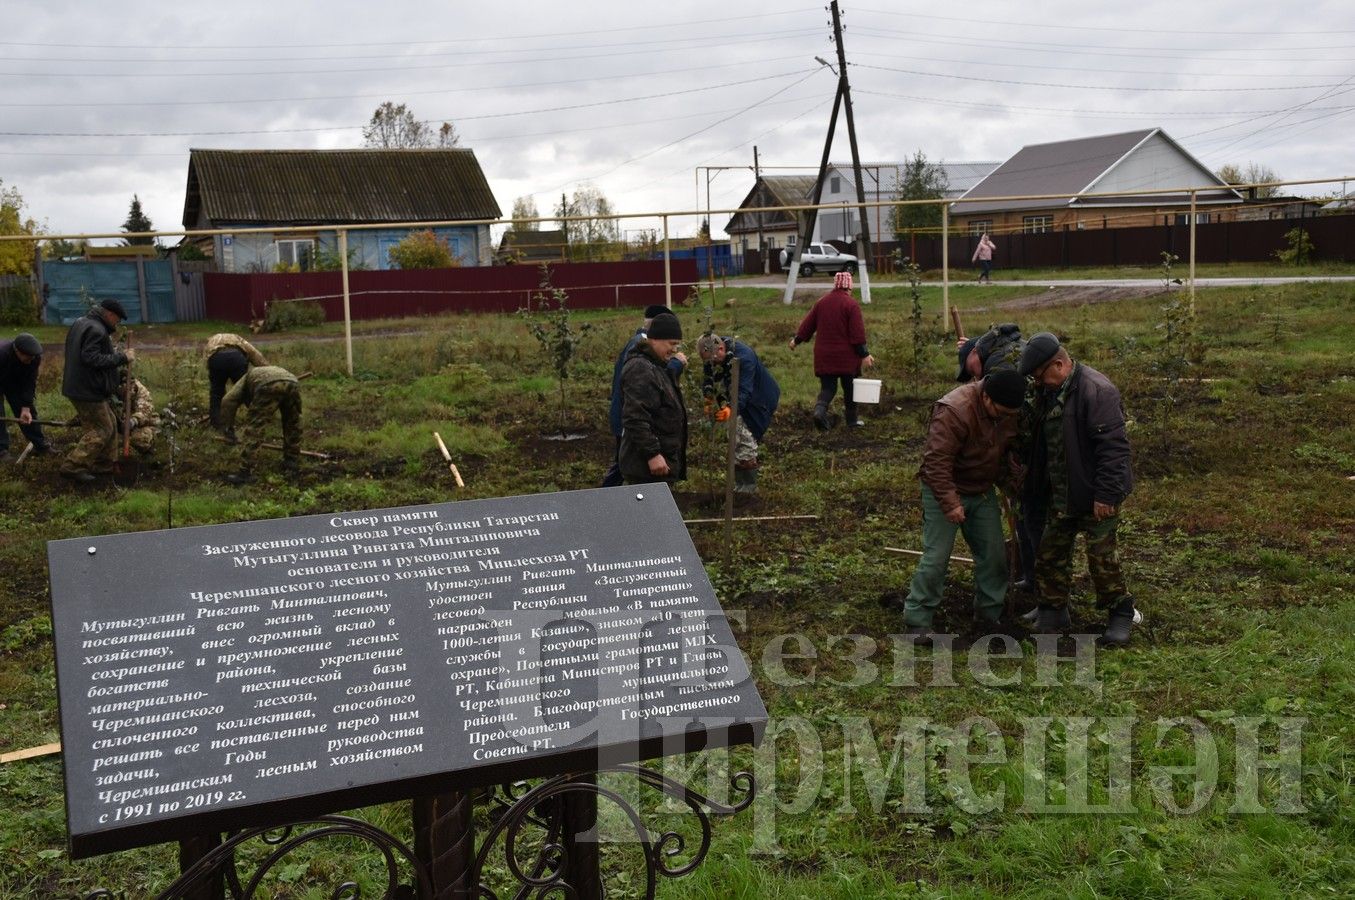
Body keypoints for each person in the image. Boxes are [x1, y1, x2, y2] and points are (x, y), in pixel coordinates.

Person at [888, 371, 1027, 642]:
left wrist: (1012, 481)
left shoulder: (1008, 412)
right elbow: (936, 463)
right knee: (937, 557)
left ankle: (989, 617)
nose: (1004, 417)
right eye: (1000, 411)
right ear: (986, 397)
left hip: (981, 489)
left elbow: (1006, 451)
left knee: (994, 555)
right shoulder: (955, 410)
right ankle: (917, 620)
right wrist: (951, 503)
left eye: (1010, 414)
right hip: (943, 486)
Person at [1017, 333, 1135, 645]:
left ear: (1059, 364)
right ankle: (1053, 612)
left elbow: (1114, 449)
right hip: (1061, 495)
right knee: (1050, 554)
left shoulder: (1097, 391)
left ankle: (1121, 614)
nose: (1038, 383)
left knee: (1101, 559)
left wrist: (1106, 495)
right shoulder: (1048, 392)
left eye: (1040, 376)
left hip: (1096, 494)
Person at [603, 305, 686, 487]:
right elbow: (635, 417)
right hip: (646, 469)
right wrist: (653, 454)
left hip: (660, 465)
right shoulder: (640, 368)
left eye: (677, 344)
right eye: (671, 344)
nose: (675, 349)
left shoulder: (656, 364)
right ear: (655, 340)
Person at [696, 332, 781, 496]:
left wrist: (731, 409)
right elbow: (709, 375)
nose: (711, 364)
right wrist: (708, 397)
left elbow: (743, 391)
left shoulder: (744, 358)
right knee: (735, 436)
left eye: (713, 361)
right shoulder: (711, 349)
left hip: (759, 399)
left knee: (746, 438)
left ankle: (748, 488)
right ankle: (740, 486)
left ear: (721, 348)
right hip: (739, 396)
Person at [60, 299, 134, 483]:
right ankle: (73, 466)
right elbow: (90, 358)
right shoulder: (97, 330)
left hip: (80, 386)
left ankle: (103, 464)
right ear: (109, 315)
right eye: (117, 320)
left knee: (109, 423)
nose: (117, 324)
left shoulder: (81, 323)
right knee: (102, 429)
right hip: (88, 390)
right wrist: (122, 357)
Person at [789, 271, 874, 429]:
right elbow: (857, 334)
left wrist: (796, 340)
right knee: (850, 389)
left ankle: (819, 412)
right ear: (849, 286)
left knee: (828, 388)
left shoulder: (822, 302)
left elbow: (808, 325)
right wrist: (865, 354)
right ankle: (852, 421)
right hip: (847, 358)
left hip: (824, 356)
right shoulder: (851, 305)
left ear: (835, 285)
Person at [217, 364, 303, 485]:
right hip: (292, 382)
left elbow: (228, 401)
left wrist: (228, 429)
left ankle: (246, 472)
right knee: (292, 422)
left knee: (255, 428)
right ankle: (292, 461)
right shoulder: (260, 373)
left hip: (267, 385)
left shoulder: (246, 379)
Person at [0, 332, 54, 462]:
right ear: (17, 351)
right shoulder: (2, 354)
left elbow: (29, 383)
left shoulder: (34, 358)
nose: (31, 360)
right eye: (28, 357)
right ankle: (1, 450)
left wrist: (25, 407)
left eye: (33, 357)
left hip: (15, 381)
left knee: (28, 412)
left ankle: (40, 445)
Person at [204, 333, 268, 428]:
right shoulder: (237, 338)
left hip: (217, 359)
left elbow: (206, 359)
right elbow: (254, 354)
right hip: (236, 358)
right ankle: (259, 417)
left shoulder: (211, 342)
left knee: (216, 393)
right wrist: (268, 370)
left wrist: (213, 373)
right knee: (245, 390)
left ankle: (216, 422)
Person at [956, 322, 1023, 383]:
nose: (977, 377)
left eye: (972, 370)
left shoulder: (998, 360)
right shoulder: (1005, 347)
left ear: (975, 351)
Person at [112, 372, 159, 456]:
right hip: (119, 424)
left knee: (141, 439)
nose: (130, 389)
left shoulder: (140, 391)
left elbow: (145, 411)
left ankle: (148, 450)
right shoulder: (111, 390)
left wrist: (133, 421)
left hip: (141, 425)